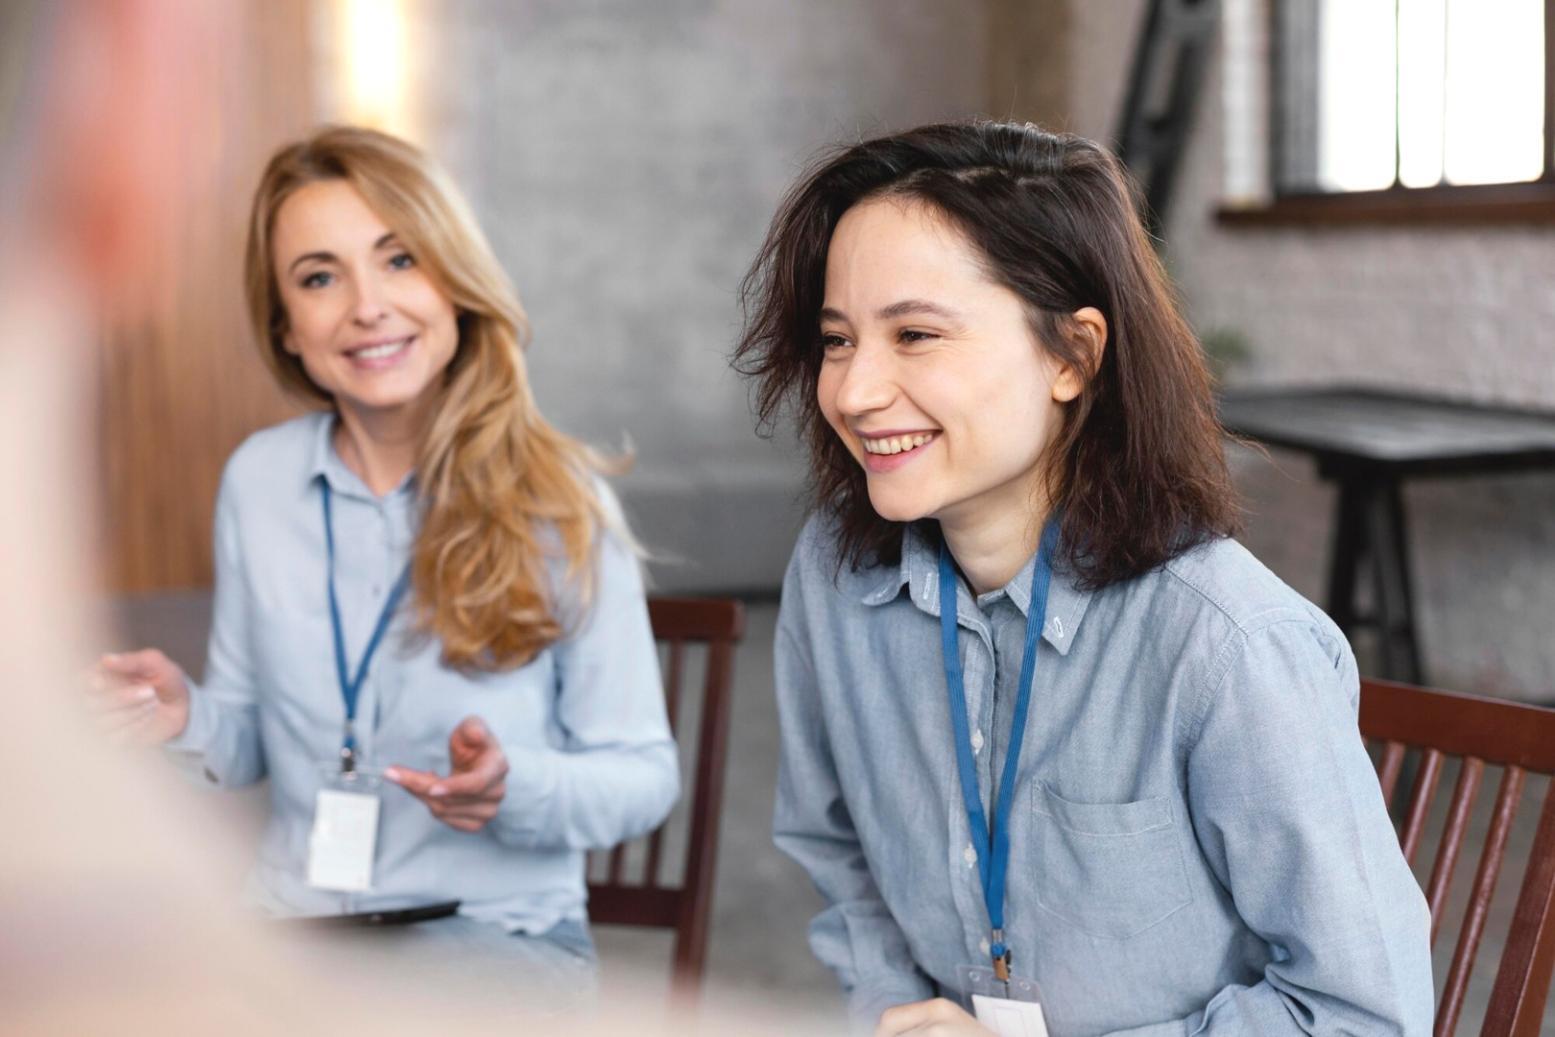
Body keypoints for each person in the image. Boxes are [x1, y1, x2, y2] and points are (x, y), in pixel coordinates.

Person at [736, 121, 1433, 1036]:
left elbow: (1363, 1015)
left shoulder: (1230, 646)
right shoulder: (834, 579)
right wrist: (896, 1011)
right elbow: (839, 856)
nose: (855, 391)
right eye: (836, 339)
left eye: (913, 334)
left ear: (1071, 355)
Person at [89, 126, 678, 984]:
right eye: (320, 277)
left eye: (399, 260)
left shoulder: (561, 503)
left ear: (455, 284)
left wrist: (510, 787)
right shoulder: (258, 481)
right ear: (287, 327)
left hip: (497, 938)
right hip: (292, 932)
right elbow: (251, 738)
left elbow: (642, 778)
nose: (366, 306)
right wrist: (185, 718)